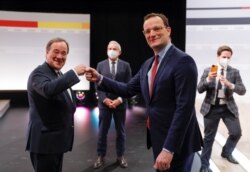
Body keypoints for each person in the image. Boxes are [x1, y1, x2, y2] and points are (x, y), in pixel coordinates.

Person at [85, 12, 203, 172]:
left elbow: (185, 109)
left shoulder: (183, 61)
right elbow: (127, 89)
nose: (152, 34)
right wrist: (100, 78)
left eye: (157, 29)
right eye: (147, 31)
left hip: (178, 144)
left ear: (168, 30)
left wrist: (169, 149)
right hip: (159, 137)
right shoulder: (148, 64)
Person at [25, 37, 86, 172]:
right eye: (56, 52)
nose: (60, 56)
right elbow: (48, 90)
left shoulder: (58, 74)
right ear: (46, 53)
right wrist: (74, 73)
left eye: (64, 53)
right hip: (45, 144)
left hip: (55, 142)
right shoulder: (38, 73)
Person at [198, 45, 246, 172]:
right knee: (209, 138)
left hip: (227, 107)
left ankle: (226, 152)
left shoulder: (234, 72)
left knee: (236, 133)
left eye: (228, 58)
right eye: (224, 57)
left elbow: (243, 90)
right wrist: (209, 79)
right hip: (211, 108)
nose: (226, 59)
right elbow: (199, 89)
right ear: (218, 56)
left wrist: (230, 85)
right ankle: (204, 165)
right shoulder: (209, 70)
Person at [93, 40, 132, 169]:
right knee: (102, 132)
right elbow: (97, 85)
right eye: (110, 48)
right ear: (106, 50)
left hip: (120, 104)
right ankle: (100, 156)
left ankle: (120, 156)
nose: (112, 50)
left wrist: (119, 99)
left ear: (119, 52)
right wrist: (104, 100)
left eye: (115, 48)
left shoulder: (126, 65)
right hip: (104, 104)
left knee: (121, 132)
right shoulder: (100, 65)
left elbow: (129, 85)